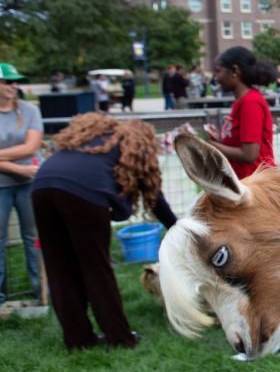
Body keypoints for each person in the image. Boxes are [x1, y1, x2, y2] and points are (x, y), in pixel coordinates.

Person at [31, 113, 177, 349]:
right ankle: (120, 337)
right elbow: (155, 198)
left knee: (60, 269)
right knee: (96, 268)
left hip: (41, 187)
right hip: (82, 195)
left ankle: (78, 339)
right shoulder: (132, 146)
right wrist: (177, 228)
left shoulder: (91, 140)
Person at [0, 65, 41, 306]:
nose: (13, 85)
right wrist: (20, 168)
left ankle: (41, 290)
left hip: (28, 185)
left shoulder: (29, 111)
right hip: (4, 185)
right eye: (8, 81)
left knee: (32, 237)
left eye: (16, 81)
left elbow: (31, 147)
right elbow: (23, 154)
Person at [204, 47, 277, 179]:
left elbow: (249, 155)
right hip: (246, 183)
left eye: (218, 71)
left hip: (257, 186)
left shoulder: (250, 103)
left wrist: (211, 145)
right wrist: (220, 141)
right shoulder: (241, 102)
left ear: (235, 71)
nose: (216, 78)